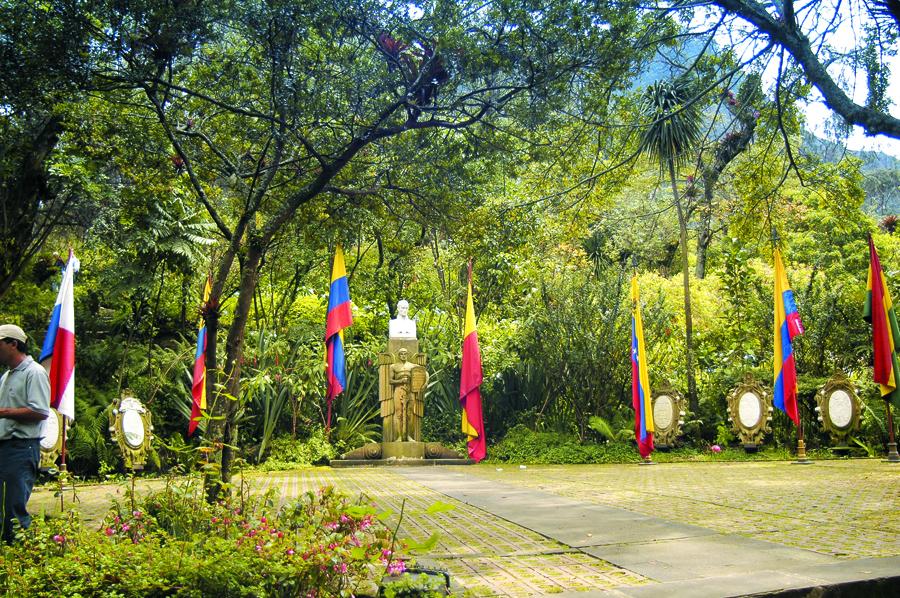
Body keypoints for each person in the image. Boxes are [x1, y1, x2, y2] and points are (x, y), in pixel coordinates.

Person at [0, 324, 50, 543]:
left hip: (21, 447)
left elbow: (40, 411)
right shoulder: (6, 376)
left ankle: (24, 557)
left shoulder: (35, 372)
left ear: (13, 344)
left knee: (14, 507)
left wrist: (3, 412)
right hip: (4, 446)